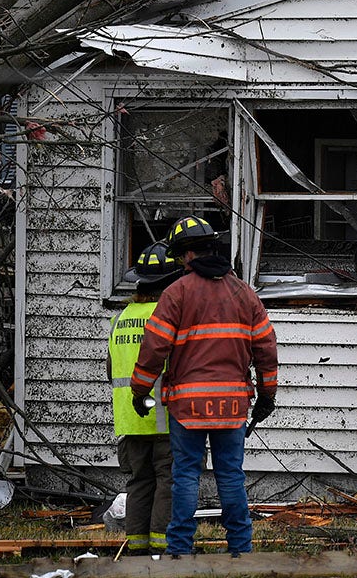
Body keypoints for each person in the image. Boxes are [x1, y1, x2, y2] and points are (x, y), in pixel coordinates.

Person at [130, 216, 279, 557]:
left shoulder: (177, 293)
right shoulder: (245, 293)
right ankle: (240, 548)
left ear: (186, 255)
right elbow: (266, 349)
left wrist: (140, 391)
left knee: (185, 476)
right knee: (231, 476)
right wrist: (267, 395)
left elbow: (154, 348)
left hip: (188, 406)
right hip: (232, 406)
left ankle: (180, 550)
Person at [107, 241, 181, 555]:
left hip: (130, 419)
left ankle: (136, 547)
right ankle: (162, 548)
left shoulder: (121, 318)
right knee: (169, 481)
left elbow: (111, 370)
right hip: (163, 416)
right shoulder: (167, 316)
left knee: (139, 482)